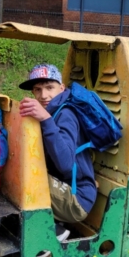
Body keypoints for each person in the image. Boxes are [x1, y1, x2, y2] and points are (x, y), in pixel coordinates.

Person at [19, 63, 97, 245]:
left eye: (49, 87)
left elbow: (66, 164)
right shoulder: (51, 112)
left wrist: (46, 120)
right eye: (37, 89)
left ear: (61, 88)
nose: (43, 95)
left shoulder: (65, 114)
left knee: (24, 176)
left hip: (77, 199)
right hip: (67, 188)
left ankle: (52, 232)